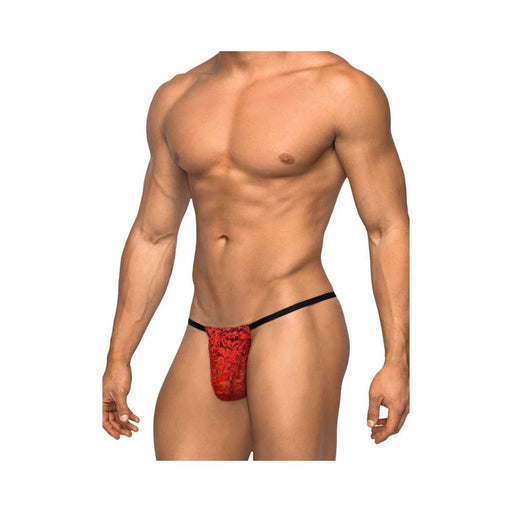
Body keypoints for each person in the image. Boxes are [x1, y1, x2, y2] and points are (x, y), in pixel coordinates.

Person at [102, 51, 410, 460]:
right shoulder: (177, 96)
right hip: (204, 325)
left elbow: (386, 228)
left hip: (292, 318)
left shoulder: (341, 89)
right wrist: (119, 356)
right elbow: (153, 235)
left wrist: (397, 360)